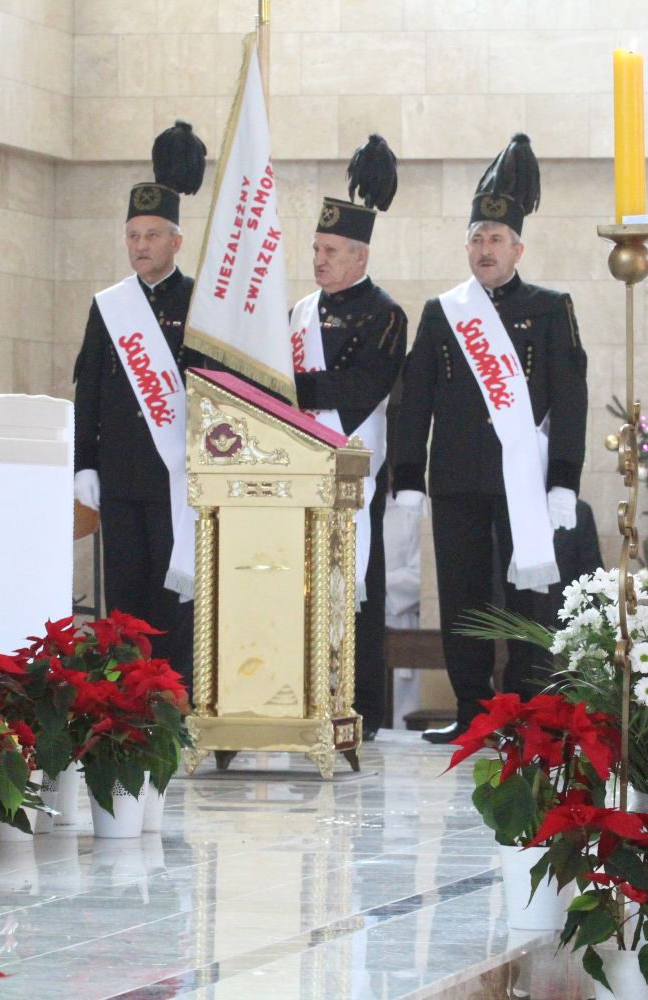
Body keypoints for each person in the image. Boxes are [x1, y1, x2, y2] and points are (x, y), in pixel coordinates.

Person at [392, 134, 589, 744]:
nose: (485, 249)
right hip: (457, 480)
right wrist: (407, 478)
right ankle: (474, 711)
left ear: (517, 248)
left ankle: (529, 711)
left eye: (496, 239)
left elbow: (571, 399)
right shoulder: (443, 312)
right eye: (477, 238)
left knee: (530, 596)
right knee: (463, 598)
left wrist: (564, 480)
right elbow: (413, 399)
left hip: (524, 481)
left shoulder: (551, 308)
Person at [73, 121, 207, 686]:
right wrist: (84, 461)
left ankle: (174, 695)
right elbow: (89, 388)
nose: (140, 246)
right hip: (121, 473)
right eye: (132, 236)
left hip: (175, 474)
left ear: (176, 241)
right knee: (125, 595)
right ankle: (126, 697)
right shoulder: (110, 306)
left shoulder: (199, 301)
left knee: (173, 593)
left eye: (152, 235)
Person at [288, 134, 407, 739]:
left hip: (355, 467)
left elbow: (363, 387)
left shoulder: (386, 313)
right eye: (315, 249)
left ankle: (364, 704)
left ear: (359, 256)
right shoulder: (300, 312)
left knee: (361, 587)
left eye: (330, 250)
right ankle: (304, 691)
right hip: (300, 468)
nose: (319, 260)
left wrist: (302, 388)